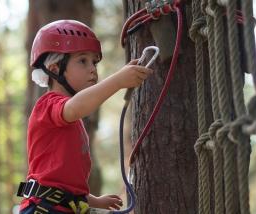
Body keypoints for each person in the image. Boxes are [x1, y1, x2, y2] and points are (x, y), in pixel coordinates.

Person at [16, 20, 153, 214]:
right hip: (44, 208)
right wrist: (118, 80)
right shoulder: (48, 106)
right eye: (82, 61)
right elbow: (76, 107)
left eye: (94, 62)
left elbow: (63, 183)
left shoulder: (71, 119)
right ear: (55, 69)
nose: (92, 69)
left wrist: (94, 200)